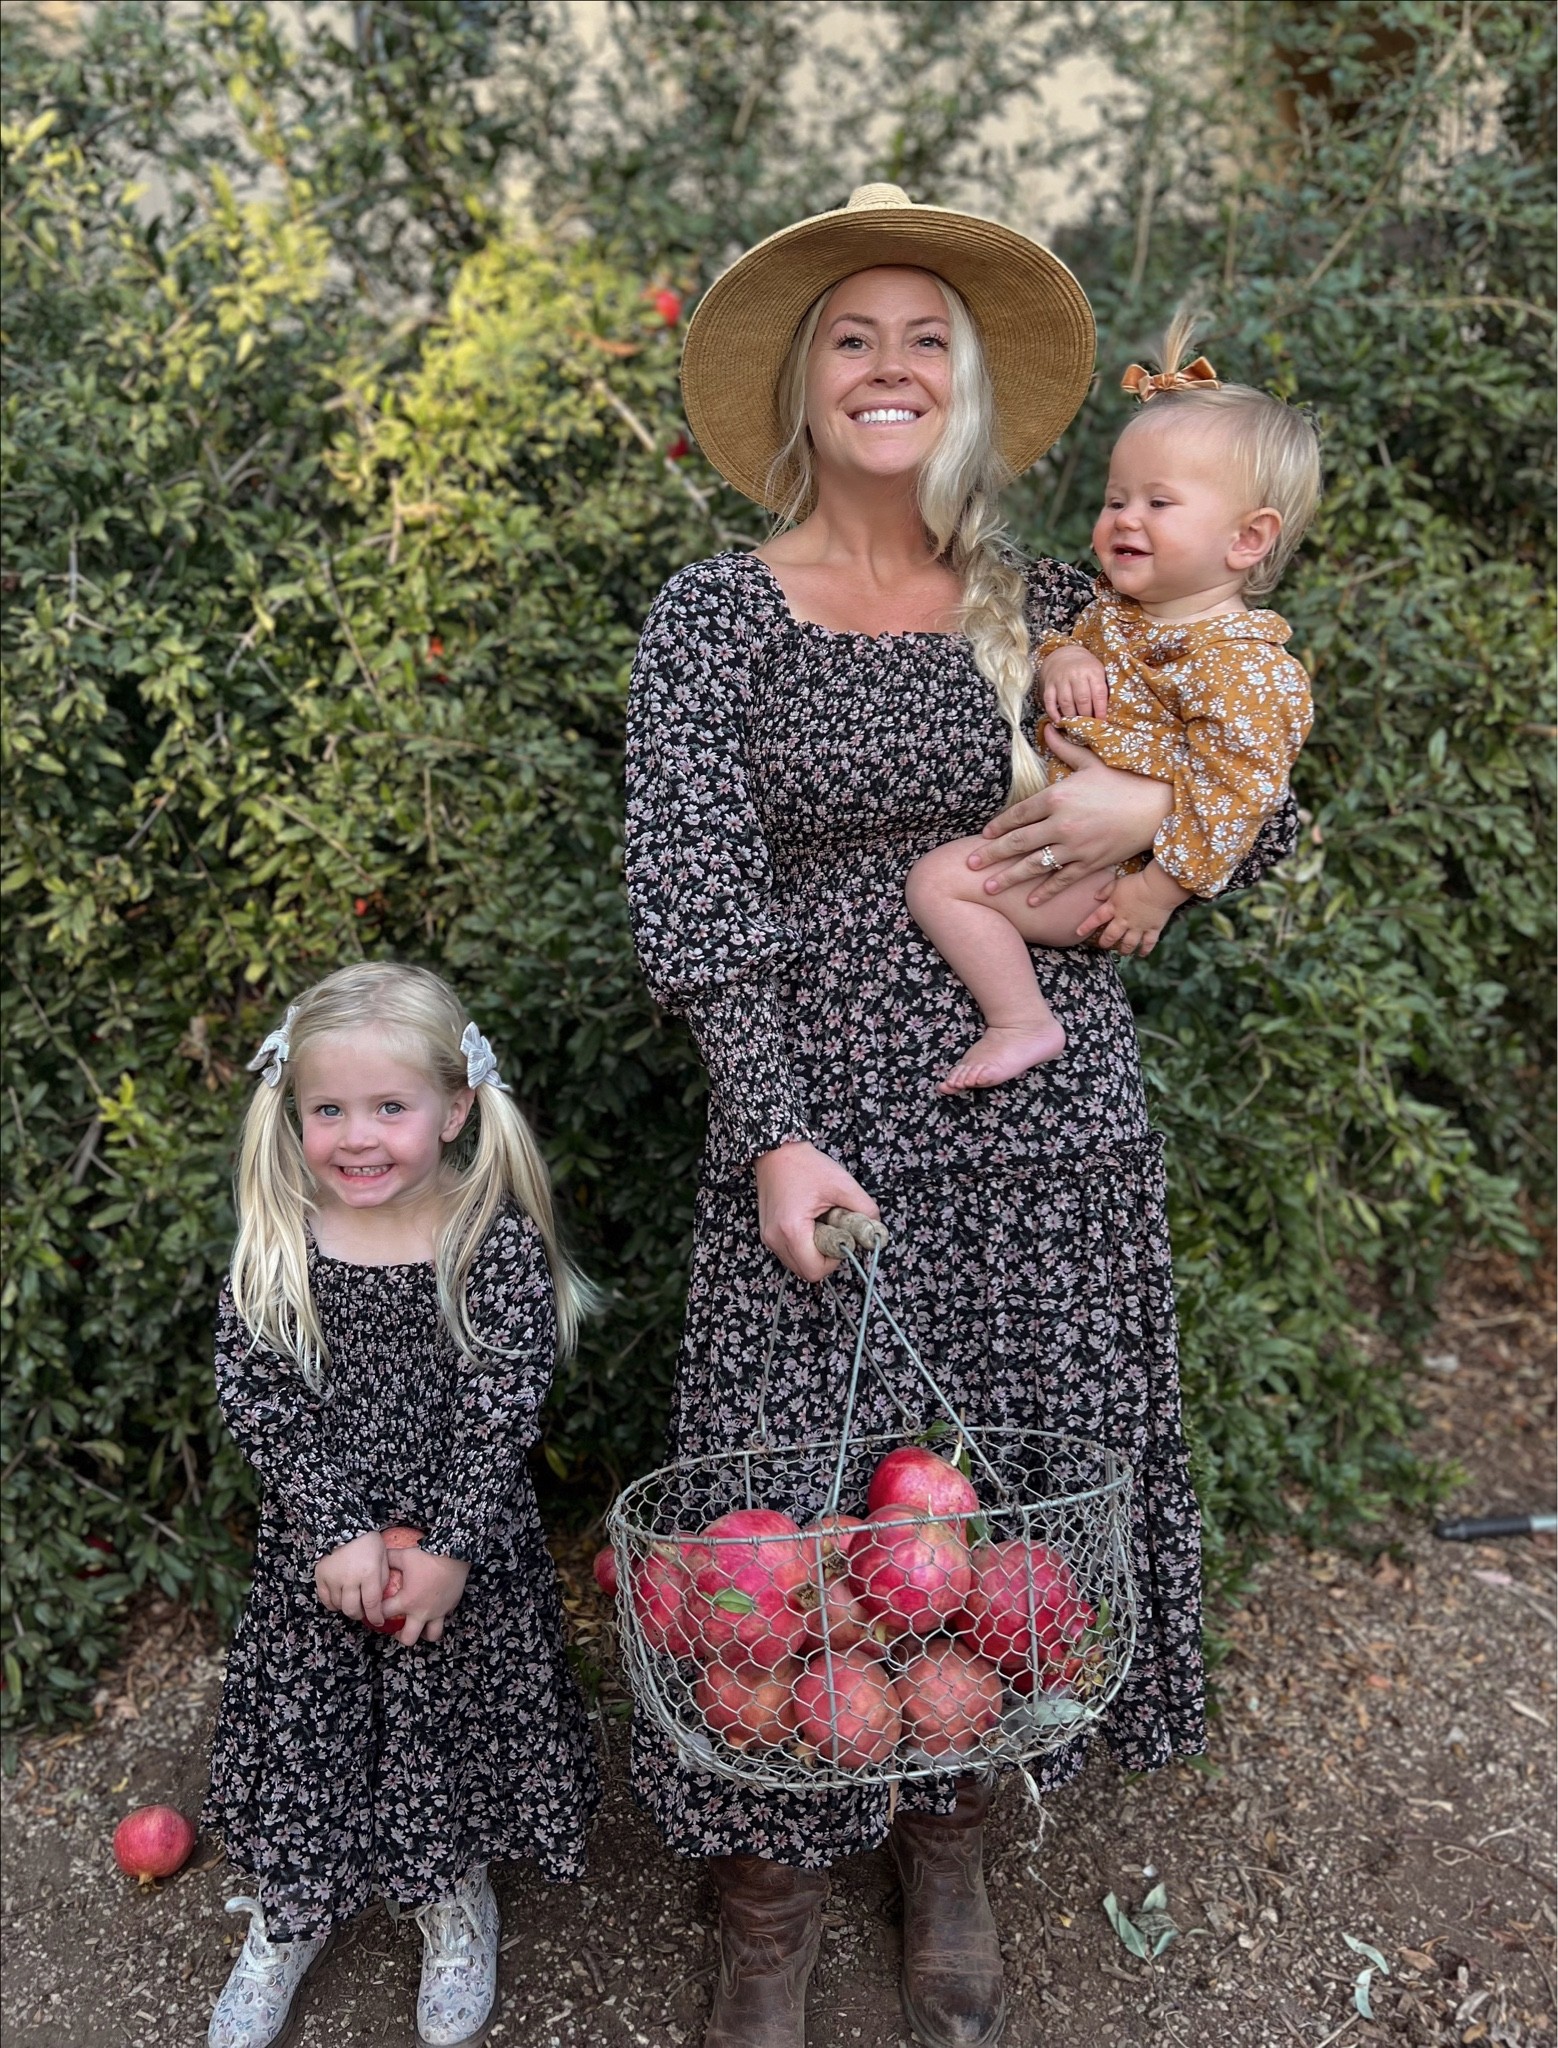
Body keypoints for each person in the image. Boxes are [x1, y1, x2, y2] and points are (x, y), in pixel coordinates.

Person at [623, 184, 1297, 2048]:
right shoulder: (713, 614)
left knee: (996, 1498)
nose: (892, 363)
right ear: (802, 386)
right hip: (824, 1128)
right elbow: (689, 888)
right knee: (784, 1513)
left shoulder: (1059, 596)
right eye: (854, 334)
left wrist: (1141, 824)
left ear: (969, 386)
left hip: (1047, 1122)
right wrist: (765, 1121)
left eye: (929, 336)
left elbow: (1264, 771)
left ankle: (943, 1828)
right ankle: (765, 1881)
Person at [201, 962, 599, 2048]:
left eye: (389, 1106)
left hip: (450, 1547)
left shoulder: (488, 1239)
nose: (357, 1136)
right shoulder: (280, 1239)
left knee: (442, 1728)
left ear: (455, 1106)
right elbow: (259, 1395)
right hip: (322, 1551)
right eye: (328, 1108)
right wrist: (335, 1526)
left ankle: (449, 1896)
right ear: (291, 1110)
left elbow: (506, 1398)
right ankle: (287, 1912)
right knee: (313, 1733)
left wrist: (455, 1545)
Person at [905, 313, 1320, 1091]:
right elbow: (1066, 634)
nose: (1124, 518)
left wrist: (1157, 890)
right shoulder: (1111, 615)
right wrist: (1061, 651)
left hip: (1112, 880)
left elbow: (1248, 796)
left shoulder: (1246, 669)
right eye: (1115, 499)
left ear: (1246, 540)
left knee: (939, 882)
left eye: (1159, 505)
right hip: (1074, 848)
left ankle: (1022, 1019)